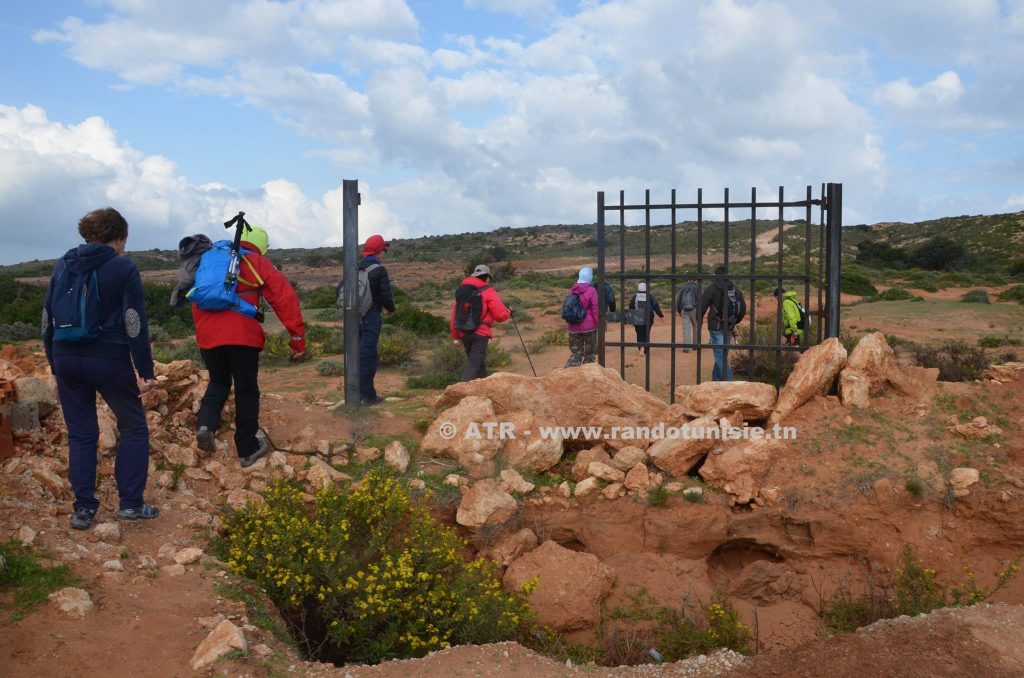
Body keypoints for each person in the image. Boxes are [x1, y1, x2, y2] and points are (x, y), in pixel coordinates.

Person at [42, 207, 158, 529]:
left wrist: (55, 361)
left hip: (66, 358)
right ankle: (131, 504)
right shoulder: (123, 267)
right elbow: (134, 322)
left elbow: (45, 319)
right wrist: (145, 370)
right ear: (118, 238)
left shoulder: (63, 264)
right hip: (108, 358)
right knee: (133, 427)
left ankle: (83, 509)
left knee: (81, 434)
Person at [193, 226, 308, 466]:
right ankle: (247, 448)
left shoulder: (211, 261)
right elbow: (284, 299)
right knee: (246, 390)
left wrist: (205, 334)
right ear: (261, 245)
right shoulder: (256, 263)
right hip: (243, 336)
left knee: (218, 382)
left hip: (209, 337)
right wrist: (297, 339)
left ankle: (205, 425)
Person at [450, 264, 511, 381]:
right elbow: (500, 315)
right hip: (480, 333)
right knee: (475, 362)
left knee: (478, 364)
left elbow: (454, 315)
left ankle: (483, 390)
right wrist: (508, 312)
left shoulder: (462, 292)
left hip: (463, 333)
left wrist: (456, 337)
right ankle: (462, 390)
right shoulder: (487, 290)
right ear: (487, 277)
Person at [355, 234, 396, 406]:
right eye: (383, 250)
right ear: (379, 251)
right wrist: (391, 309)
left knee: (357, 354)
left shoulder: (354, 268)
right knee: (368, 355)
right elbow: (386, 295)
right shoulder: (379, 270)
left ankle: (355, 393)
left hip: (353, 317)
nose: (384, 253)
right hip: (371, 315)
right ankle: (368, 396)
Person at [699, 266, 746, 381]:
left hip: (716, 326)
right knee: (722, 355)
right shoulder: (736, 290)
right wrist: (734, 322)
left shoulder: (713, 288)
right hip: (728, 327)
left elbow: (702, 305)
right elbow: (743, 309)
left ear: (716, 275)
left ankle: (729, 383)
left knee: (720, 356)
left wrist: (699, 321)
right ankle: (716, 381)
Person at [565, 267, 600, 367]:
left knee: (576, 354)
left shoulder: (572, 290)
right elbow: (595, 309)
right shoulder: (591, 290)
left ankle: (569, 375)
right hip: (589, 327)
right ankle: (587, 377)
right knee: (590, 354)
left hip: (573, 327)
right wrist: (598, 323)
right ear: (590, 277)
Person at [628, 282, 663, 354]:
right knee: (646, 332)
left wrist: (631, 318)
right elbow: (656, 305)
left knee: (639, 332)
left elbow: (631, 306)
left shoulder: (635, 296)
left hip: (638, 316)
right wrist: (660, 315)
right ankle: (646, 349)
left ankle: (641, 347)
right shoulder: (649, 296)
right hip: (648, 316)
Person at [676, 277, 699, 352]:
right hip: (694, 310)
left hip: (684, 310)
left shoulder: (683, 288)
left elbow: (678, 300)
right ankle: (696, 346)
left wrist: (680, 310)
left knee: (686, 329)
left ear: (688, 280)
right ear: (695, 280)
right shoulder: (698, 288)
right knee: (696, 327)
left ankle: (686, 347)